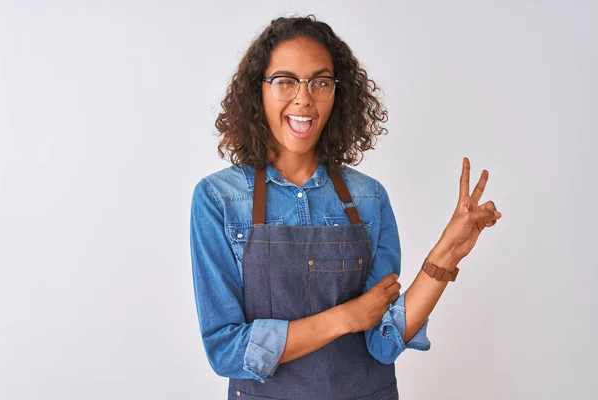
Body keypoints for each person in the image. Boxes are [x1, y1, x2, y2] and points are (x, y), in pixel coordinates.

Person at [189, 15, 501, 400]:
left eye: (320, 82)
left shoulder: (369, 199)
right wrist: (343, 318)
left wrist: (446, 254)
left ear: (337, 94)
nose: (304, 98)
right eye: (285, 81)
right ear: (259, 92)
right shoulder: (218, 199)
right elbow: (226, 349)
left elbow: (383, 342)